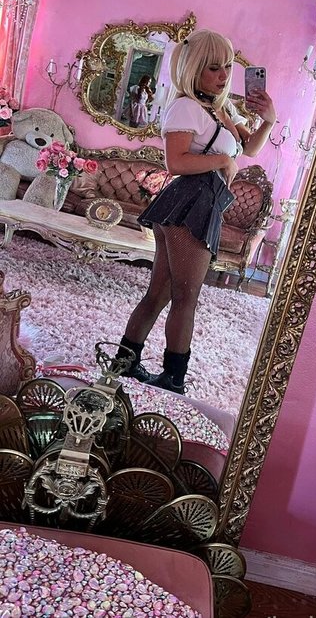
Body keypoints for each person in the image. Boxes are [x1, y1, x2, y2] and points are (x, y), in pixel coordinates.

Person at [116, 29, 276, 393]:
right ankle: (173, 379)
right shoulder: (186, 106)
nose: (223, 76)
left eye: (227, 67)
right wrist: (222, 160)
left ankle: (124, 363)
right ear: (193, 69)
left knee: (160, 293)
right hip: (190, 202)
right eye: (213, 68)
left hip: (198, 203)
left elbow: (250, 148)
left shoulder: (218, 107)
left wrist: (268, 119)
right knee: (186, 298)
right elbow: (175, 162)